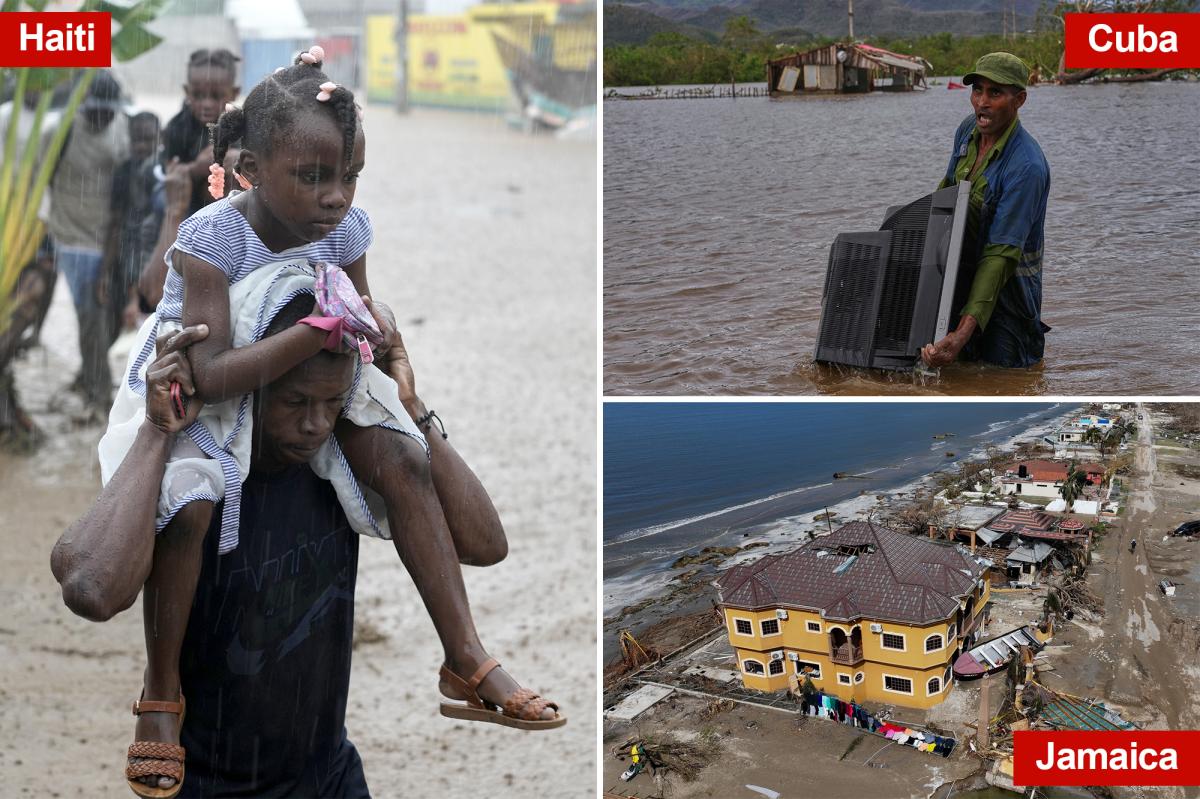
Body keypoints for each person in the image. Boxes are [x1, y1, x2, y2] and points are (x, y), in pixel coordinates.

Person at [87, 46, 561, 796]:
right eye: (313, 177)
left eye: (349, 177)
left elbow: (361, 325)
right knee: (192, 503)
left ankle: (465, 654)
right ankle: (160, 692)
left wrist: (385, 361)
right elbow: (206, 374)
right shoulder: (214, 237)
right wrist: (315, 336)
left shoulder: (345, 230)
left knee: (403, 463)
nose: (335, 196)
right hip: (209, 385)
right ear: (249, 166)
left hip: (311, 361)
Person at [53, 309, 530, 796]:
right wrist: (156, 432)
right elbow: (92, 590)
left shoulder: (342, 467)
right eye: (295, 401)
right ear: (249, 389)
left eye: (331, 402)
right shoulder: (198, 486)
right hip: (208, 782)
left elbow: (484, 544)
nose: (314, 424)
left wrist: (406, 405)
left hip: (329, 774)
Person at [920, 52, 1051, 370]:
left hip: (1010, 292)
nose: (982, 102)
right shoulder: (967, 131)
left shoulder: (1027, 167)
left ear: (1019, 99)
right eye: (978, 90)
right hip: (961, 273)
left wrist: (962, 333)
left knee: (1003, 377)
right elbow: (946, 196)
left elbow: (999, 256)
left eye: (995, 93)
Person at [48, 70, 130, 413]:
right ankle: (98, 392)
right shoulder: (60, 130)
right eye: (97, 109)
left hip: (109, 239)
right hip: (71, 238)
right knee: (89, 316)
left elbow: (126, 186)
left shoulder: (122, 129)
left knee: (109, 316)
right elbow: (43, 177)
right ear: (84, 104)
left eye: (109, 110)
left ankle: (90, 374)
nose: (103, 116)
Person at [101, 111, 162, 339]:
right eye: (136, 140)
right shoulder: (124, 172)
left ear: (160, 138)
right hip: (126, 256)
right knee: (114, 321)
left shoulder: (166, 171)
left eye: (148, 139)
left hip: (158, 258)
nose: (142, 146)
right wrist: (105, 272)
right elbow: (115, 221)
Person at [162, 48, 240, 217]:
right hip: (189, 208)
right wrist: (196, 168)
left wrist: (237, 157)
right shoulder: (177, 128)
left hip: (230, 209)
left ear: (234, 93)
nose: (206, 104)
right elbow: (170, 175)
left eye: (216, 96)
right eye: (198, 95)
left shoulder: (241, 125)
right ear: (186, 92)